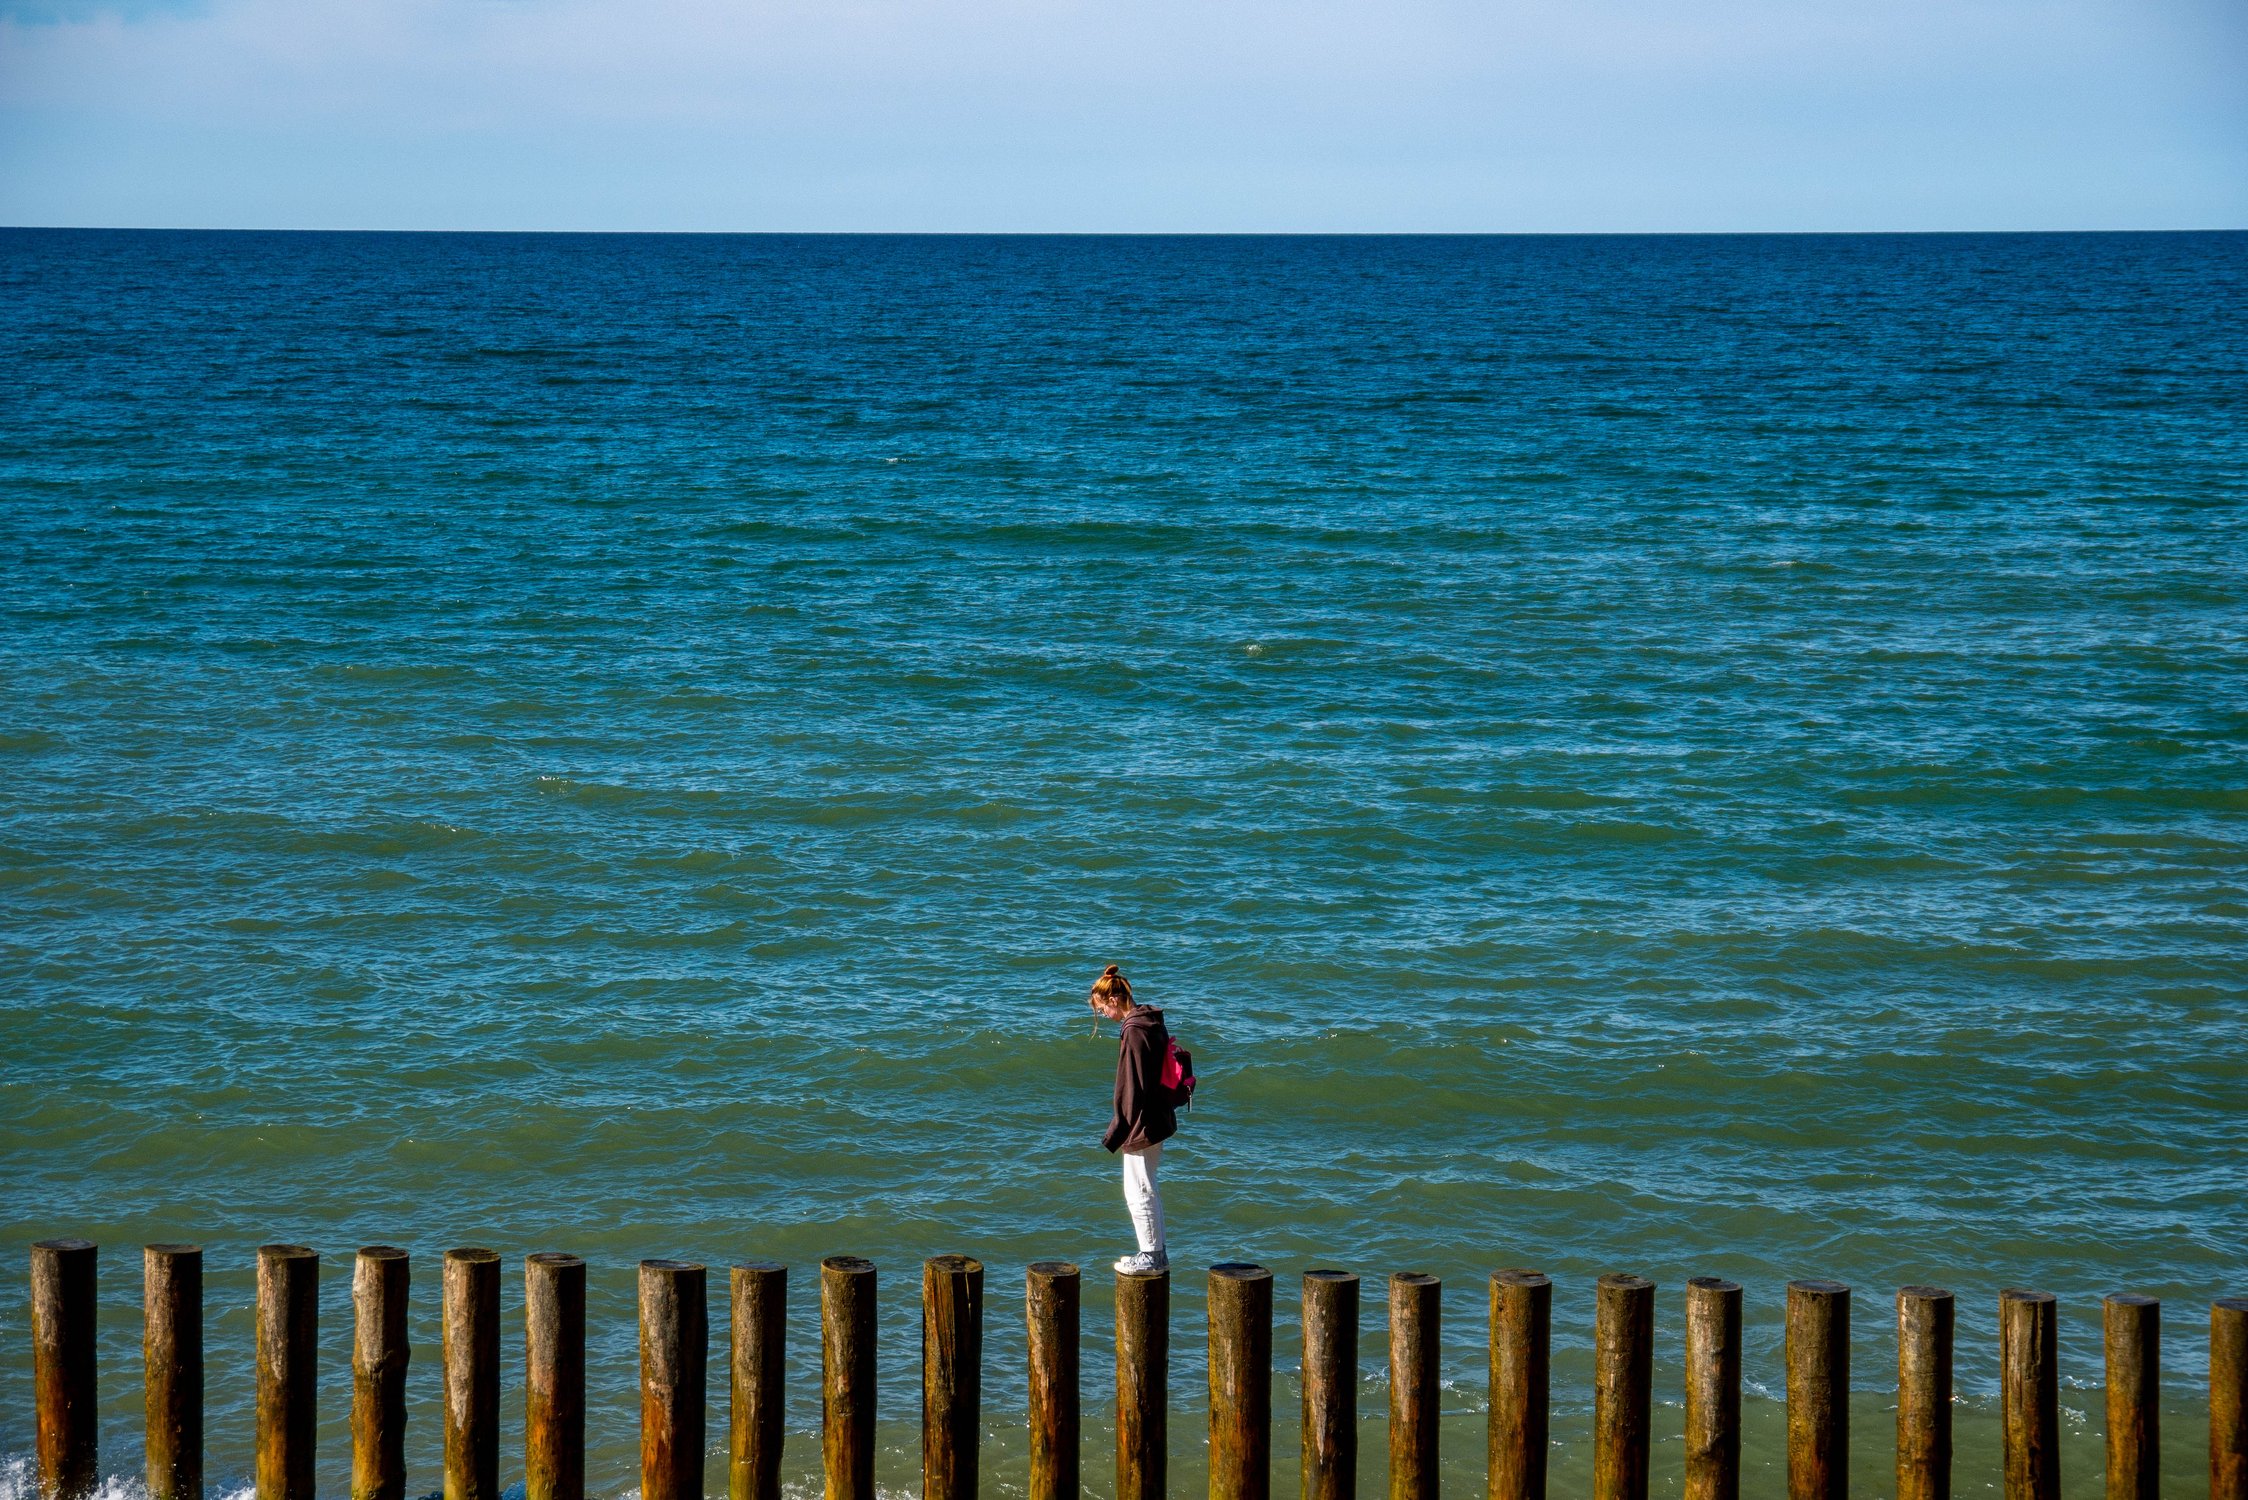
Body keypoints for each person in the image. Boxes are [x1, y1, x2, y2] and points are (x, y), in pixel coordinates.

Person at [1090, 963, 1177, 1273]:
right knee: (1147, 1185)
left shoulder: (1134, 1030)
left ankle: (1151, 1256)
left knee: (1137, 1190)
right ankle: (1156, 1253)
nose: (1104, 1016)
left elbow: (1131, 1086)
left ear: (1113, 999)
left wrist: (1117, 1130)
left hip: (1142, 1122)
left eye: (1102, 1010)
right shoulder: (1150, 1021)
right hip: (1157, 1115)